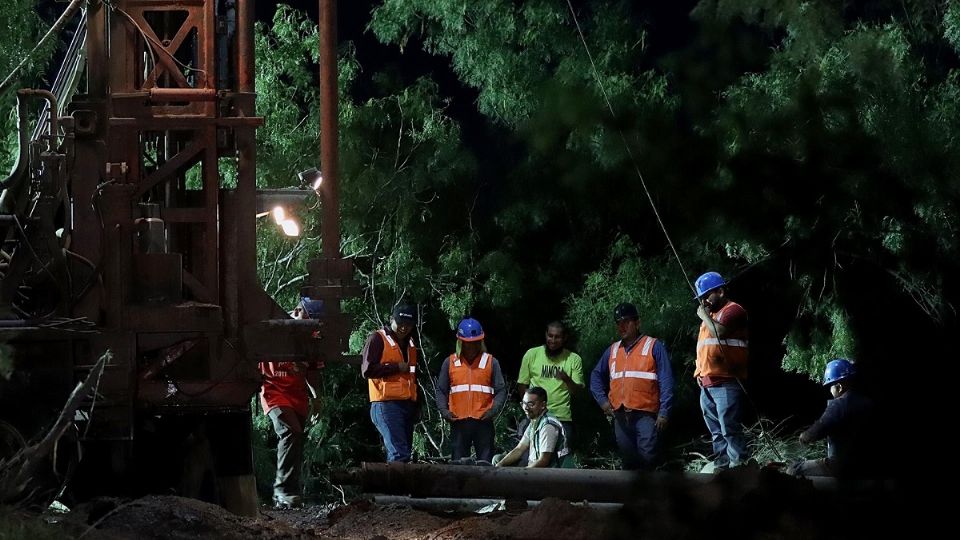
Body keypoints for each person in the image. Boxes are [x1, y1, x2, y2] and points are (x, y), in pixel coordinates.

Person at [589, 303, 674, 470]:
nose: (622, 326)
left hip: (646, 416)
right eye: (619, 323)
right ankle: (632, 496)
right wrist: (603, 402)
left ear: (637, 322)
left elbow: (667, 380)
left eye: (626, 322)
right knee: (628, 462)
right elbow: (596, 376)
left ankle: (650, 495)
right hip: (620, 417)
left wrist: (664, 412)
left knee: (648, 458)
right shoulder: (613, 350)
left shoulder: (653, 346)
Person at [259, 297, 324, 508]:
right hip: (274, 390)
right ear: (298, 311)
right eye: (309, 318)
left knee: (296, 440)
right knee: (290, 431)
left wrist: (317, 398)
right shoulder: (273, 328)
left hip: (298, 396)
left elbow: (313, 372)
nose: (311, 324)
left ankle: (289, 493)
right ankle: (282, 489)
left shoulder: (312, 337)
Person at [693, 271, 750, 471]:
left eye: (707, 295)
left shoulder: (733, 310)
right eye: (701, 297)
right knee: (716, 431)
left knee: (729, 428)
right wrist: (699, 373)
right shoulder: (709, 317)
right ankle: (722, 466)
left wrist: (705, 317)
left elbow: (721, 332)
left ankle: (739, 465)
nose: (703, 300)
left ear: (721, 291)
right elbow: (705, 349)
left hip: (727, 382)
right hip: (707, 384)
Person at [789, 359, 878, 481]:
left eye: (831, 386)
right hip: (869, 466)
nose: (830, 390)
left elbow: (817, 430)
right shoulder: (868, 402)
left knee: (795, 469)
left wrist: (803, 437)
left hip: (843, 467)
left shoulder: (840, 404)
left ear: (839, 387)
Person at [436, 318, 506, 463]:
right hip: (458, 421)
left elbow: (501, 390)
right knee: (459, 465)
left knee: (485, 465)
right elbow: (441, 390)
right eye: (468, 343)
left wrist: (493, 410)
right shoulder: (450, 362)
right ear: (460, 342)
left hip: (483, 421)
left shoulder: (490, 362)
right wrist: (444, 411)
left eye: (475, 342)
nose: (471, 346)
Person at [361, 303, 419, 462]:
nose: (403, 328)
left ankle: (397, 486)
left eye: (408, 325)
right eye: (400, 323)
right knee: (399, 454)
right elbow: (367, 370)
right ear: (391, 319)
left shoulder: (411, 344)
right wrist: (395, 367)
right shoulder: (377, 339)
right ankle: (397, 486)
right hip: (385, 404)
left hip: (407, 404)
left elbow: (413, 374)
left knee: (404, 454)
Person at [517, 321, 584, 450]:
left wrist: (566, 379)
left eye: (557, 337)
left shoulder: (573, 359)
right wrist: (529, 408)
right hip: (535, 417)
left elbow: (578, 391)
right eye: (550, 336)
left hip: (561, 418)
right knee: (529, 459)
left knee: (560, 462)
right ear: (546, 335)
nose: (553, 340)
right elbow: (522, 385)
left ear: (564, 338)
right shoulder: (532, 354)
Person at [494, 387, 569, 468]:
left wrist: (523, 474)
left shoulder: (548, 425)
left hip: (547, 473)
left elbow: (543, 461)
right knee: (498, 459)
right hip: (533, 466)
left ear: (543, 405)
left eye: (530, 404)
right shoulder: (535, 420)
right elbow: (519, 449)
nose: (526, 408)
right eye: (524, 403)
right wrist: (500, 464)